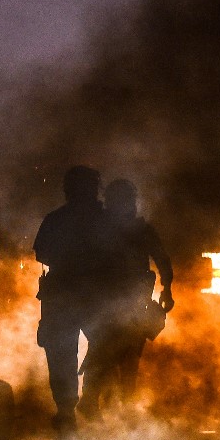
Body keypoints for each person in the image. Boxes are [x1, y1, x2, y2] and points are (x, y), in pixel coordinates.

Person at [77, 178, 174, 421]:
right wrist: (167, 289)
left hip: (127, 303)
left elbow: (163, 261)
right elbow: (162, 261)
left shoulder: (121, 228)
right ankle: (100, 402)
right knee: (108, 354)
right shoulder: (104, 228)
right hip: (110, 302)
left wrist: (167, 288)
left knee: (116, 353)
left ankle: (110, 403)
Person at [33, 165, 104, 434]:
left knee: (63, 353)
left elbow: (42, 253)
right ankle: (81, 404)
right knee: (102, 345)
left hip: (67, 293)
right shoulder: (103, 219)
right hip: (90, 294)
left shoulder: (56, 219)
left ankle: (70, 408)